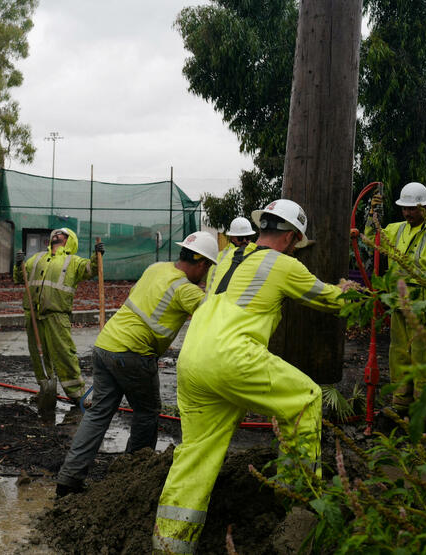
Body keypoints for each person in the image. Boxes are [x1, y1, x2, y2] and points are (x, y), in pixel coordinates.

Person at [153, 200, 357, 553]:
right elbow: (332, 300)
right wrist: (351, 292)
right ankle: (297, 503)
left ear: (262, 228)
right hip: (231, 357)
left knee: (196, 454)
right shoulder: (284, 264)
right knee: (305, 399)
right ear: (292, 238)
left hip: (192, 359)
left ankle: (169, 545)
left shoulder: (225, 258)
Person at [55, 232, 220, 498]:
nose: (206, 273)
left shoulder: (156, 268)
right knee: (146, 413)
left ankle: (68, 480)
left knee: (98, 414)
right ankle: (133, 477)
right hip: (133, 353)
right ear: (201, 264)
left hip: (106, 344)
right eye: (208, 267)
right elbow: (217, 314)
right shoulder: (185, 289)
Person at [360, 181, 426, 413]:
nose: (407, 213)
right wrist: (372, 215)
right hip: (399, 302)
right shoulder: (397, 229)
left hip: (423, 305)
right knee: (399, 354)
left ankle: (424, 411)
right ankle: (401, 405)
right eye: (405, 208)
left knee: (422, 357)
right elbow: (372, 238)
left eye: (412, 209)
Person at [13, 228, 104, 403]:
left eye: (61, 234)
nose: (56, 235)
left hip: (57, 314)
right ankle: (46, 388)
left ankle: (77, 394)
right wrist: (18, 264)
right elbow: (19, 277)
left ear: (70, 240)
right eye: (54, 233)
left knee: (64, 354)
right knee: (38, 354)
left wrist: (97, 255)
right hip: (33, 314)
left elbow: (91, 269)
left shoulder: (73, 261)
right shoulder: (37, 258)